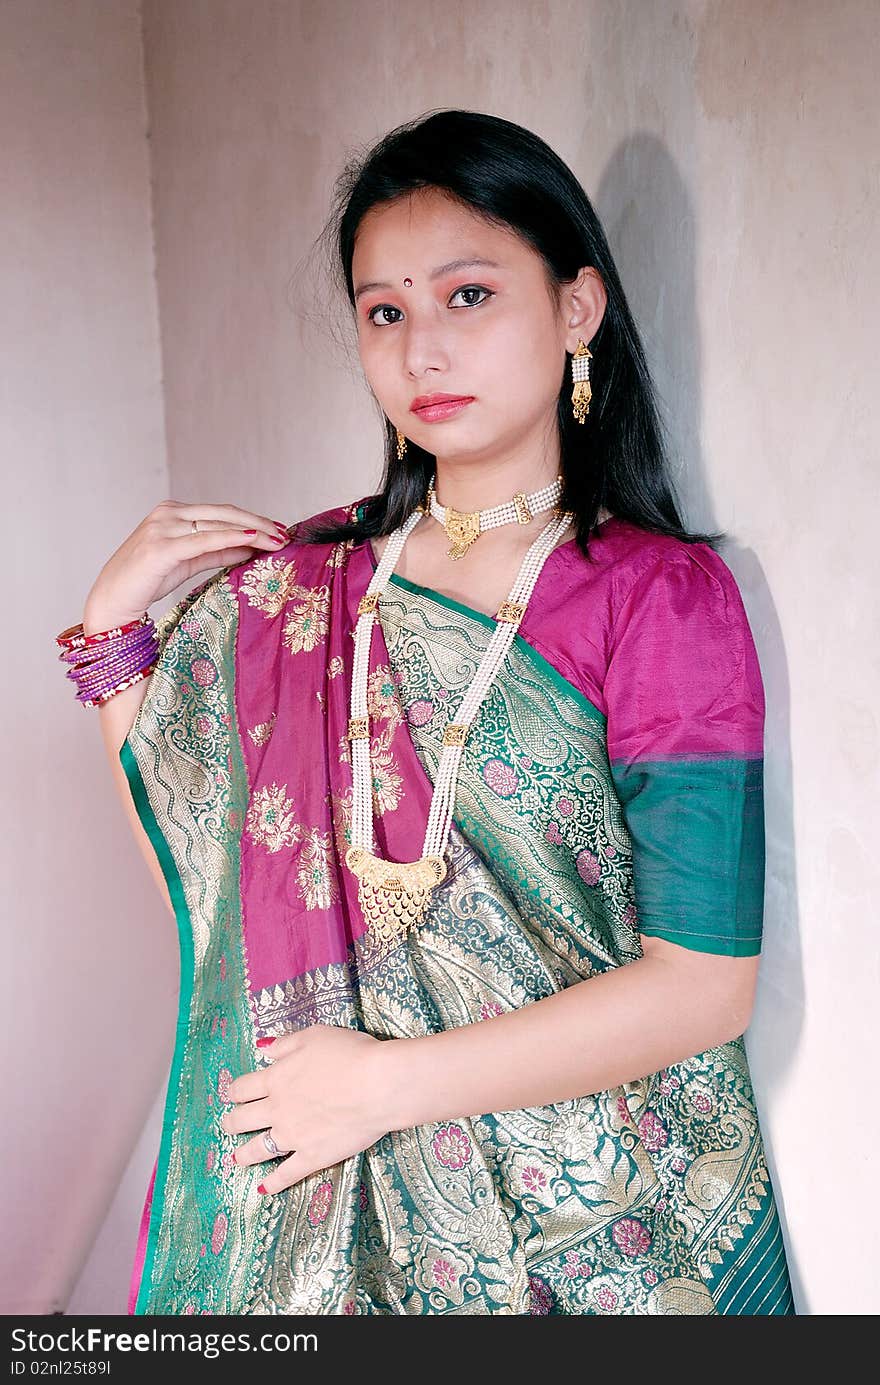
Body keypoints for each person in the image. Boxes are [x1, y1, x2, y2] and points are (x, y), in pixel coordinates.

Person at [59, 109, 795, 1315]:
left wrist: (385, 1086)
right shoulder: (315, 585)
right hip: (339, 1219)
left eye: (467, 296)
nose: (421, 352)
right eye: (384, 312)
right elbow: (220, 892)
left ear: (576, 308)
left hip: (597, 1222)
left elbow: (703, 984)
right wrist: (108, 635)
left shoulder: (659, 599)